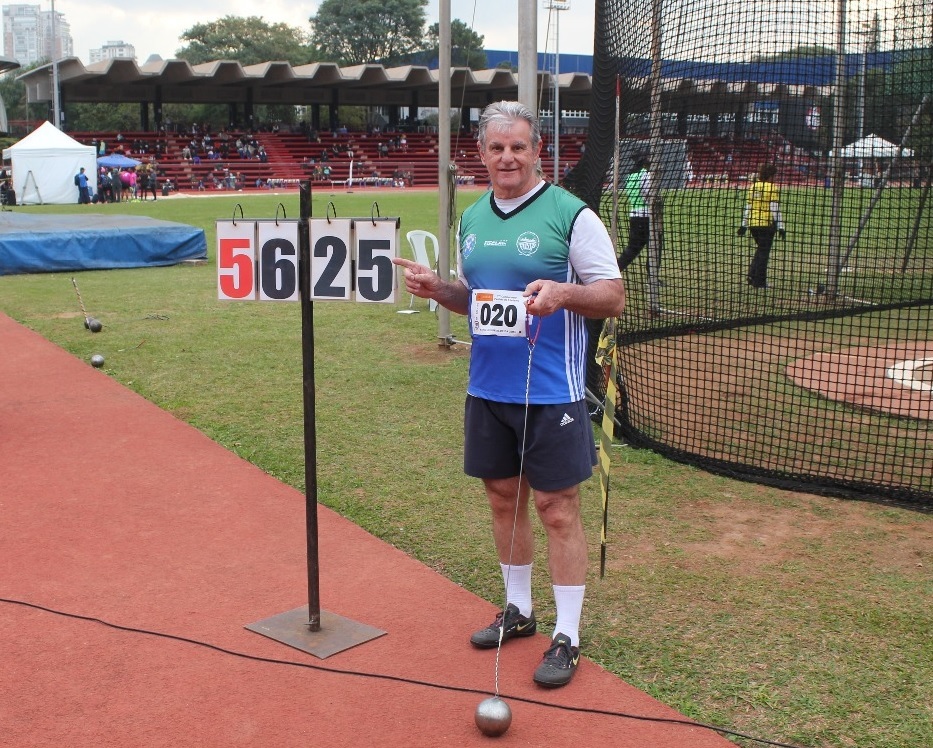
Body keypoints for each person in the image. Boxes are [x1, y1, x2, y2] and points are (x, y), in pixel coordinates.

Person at [392, 101, 625, 689]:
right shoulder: (471, 217)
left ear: (537, 149)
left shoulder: (572, 215)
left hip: (553, 391)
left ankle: (567, 633)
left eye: (518, 146)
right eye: (496, 148)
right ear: (482, 153)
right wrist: (436, 288)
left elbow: (613, 295)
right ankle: (518, 610)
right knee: (503, 499)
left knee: (556, 507)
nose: (508, 158)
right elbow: (473, 298)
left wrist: (563, 295)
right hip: (488, 387)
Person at [737, 163, 785, 288]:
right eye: (775, 175)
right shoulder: (771, 187)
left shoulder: (753, 187)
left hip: (753, 224)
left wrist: (744, 224)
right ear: (771, 175)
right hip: (766, 224)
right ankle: (760, 282)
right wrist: (781, 227)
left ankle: (752, 276)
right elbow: (775, 208)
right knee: (764, 253)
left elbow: (748, 207)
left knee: (761, 250)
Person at [615, 153, 655, 276]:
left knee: (633, 248)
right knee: (655, 245)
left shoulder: (631, 176)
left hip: (634, 214)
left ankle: (615, 270)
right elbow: (648, 193)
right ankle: (652, 275)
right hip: (646, 215)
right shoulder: (645, 174)